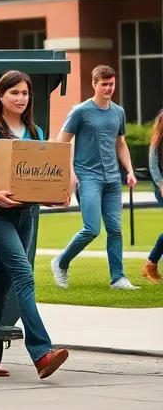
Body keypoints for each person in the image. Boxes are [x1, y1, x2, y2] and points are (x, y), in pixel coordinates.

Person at [0, 71, 69, 379]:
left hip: (24, 216)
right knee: (24, 276)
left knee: (1, 286)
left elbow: (36, 180)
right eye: (15, 93)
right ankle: (41, 352)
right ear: (0, 97)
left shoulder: (34, 132)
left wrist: (50, 197)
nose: (21, 98)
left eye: (25, 93)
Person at [50, 66, 139, 291]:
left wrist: (129, 170)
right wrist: (70, 174)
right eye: (104, 84)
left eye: (111, 84)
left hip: (112, 179)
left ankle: (118, 278)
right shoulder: (80, 111)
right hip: (87, 177)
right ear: (94, 84)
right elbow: (61, 143)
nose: (108, 88)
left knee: (115, 230)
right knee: (91, 229)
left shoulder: (118, 112)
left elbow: (120, 143)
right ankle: (60, 262)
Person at [141, 109, 163, 284]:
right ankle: (150, 264)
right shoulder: (158, 141)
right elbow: (153, 165)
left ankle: (151, 263)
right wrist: (161, 184)